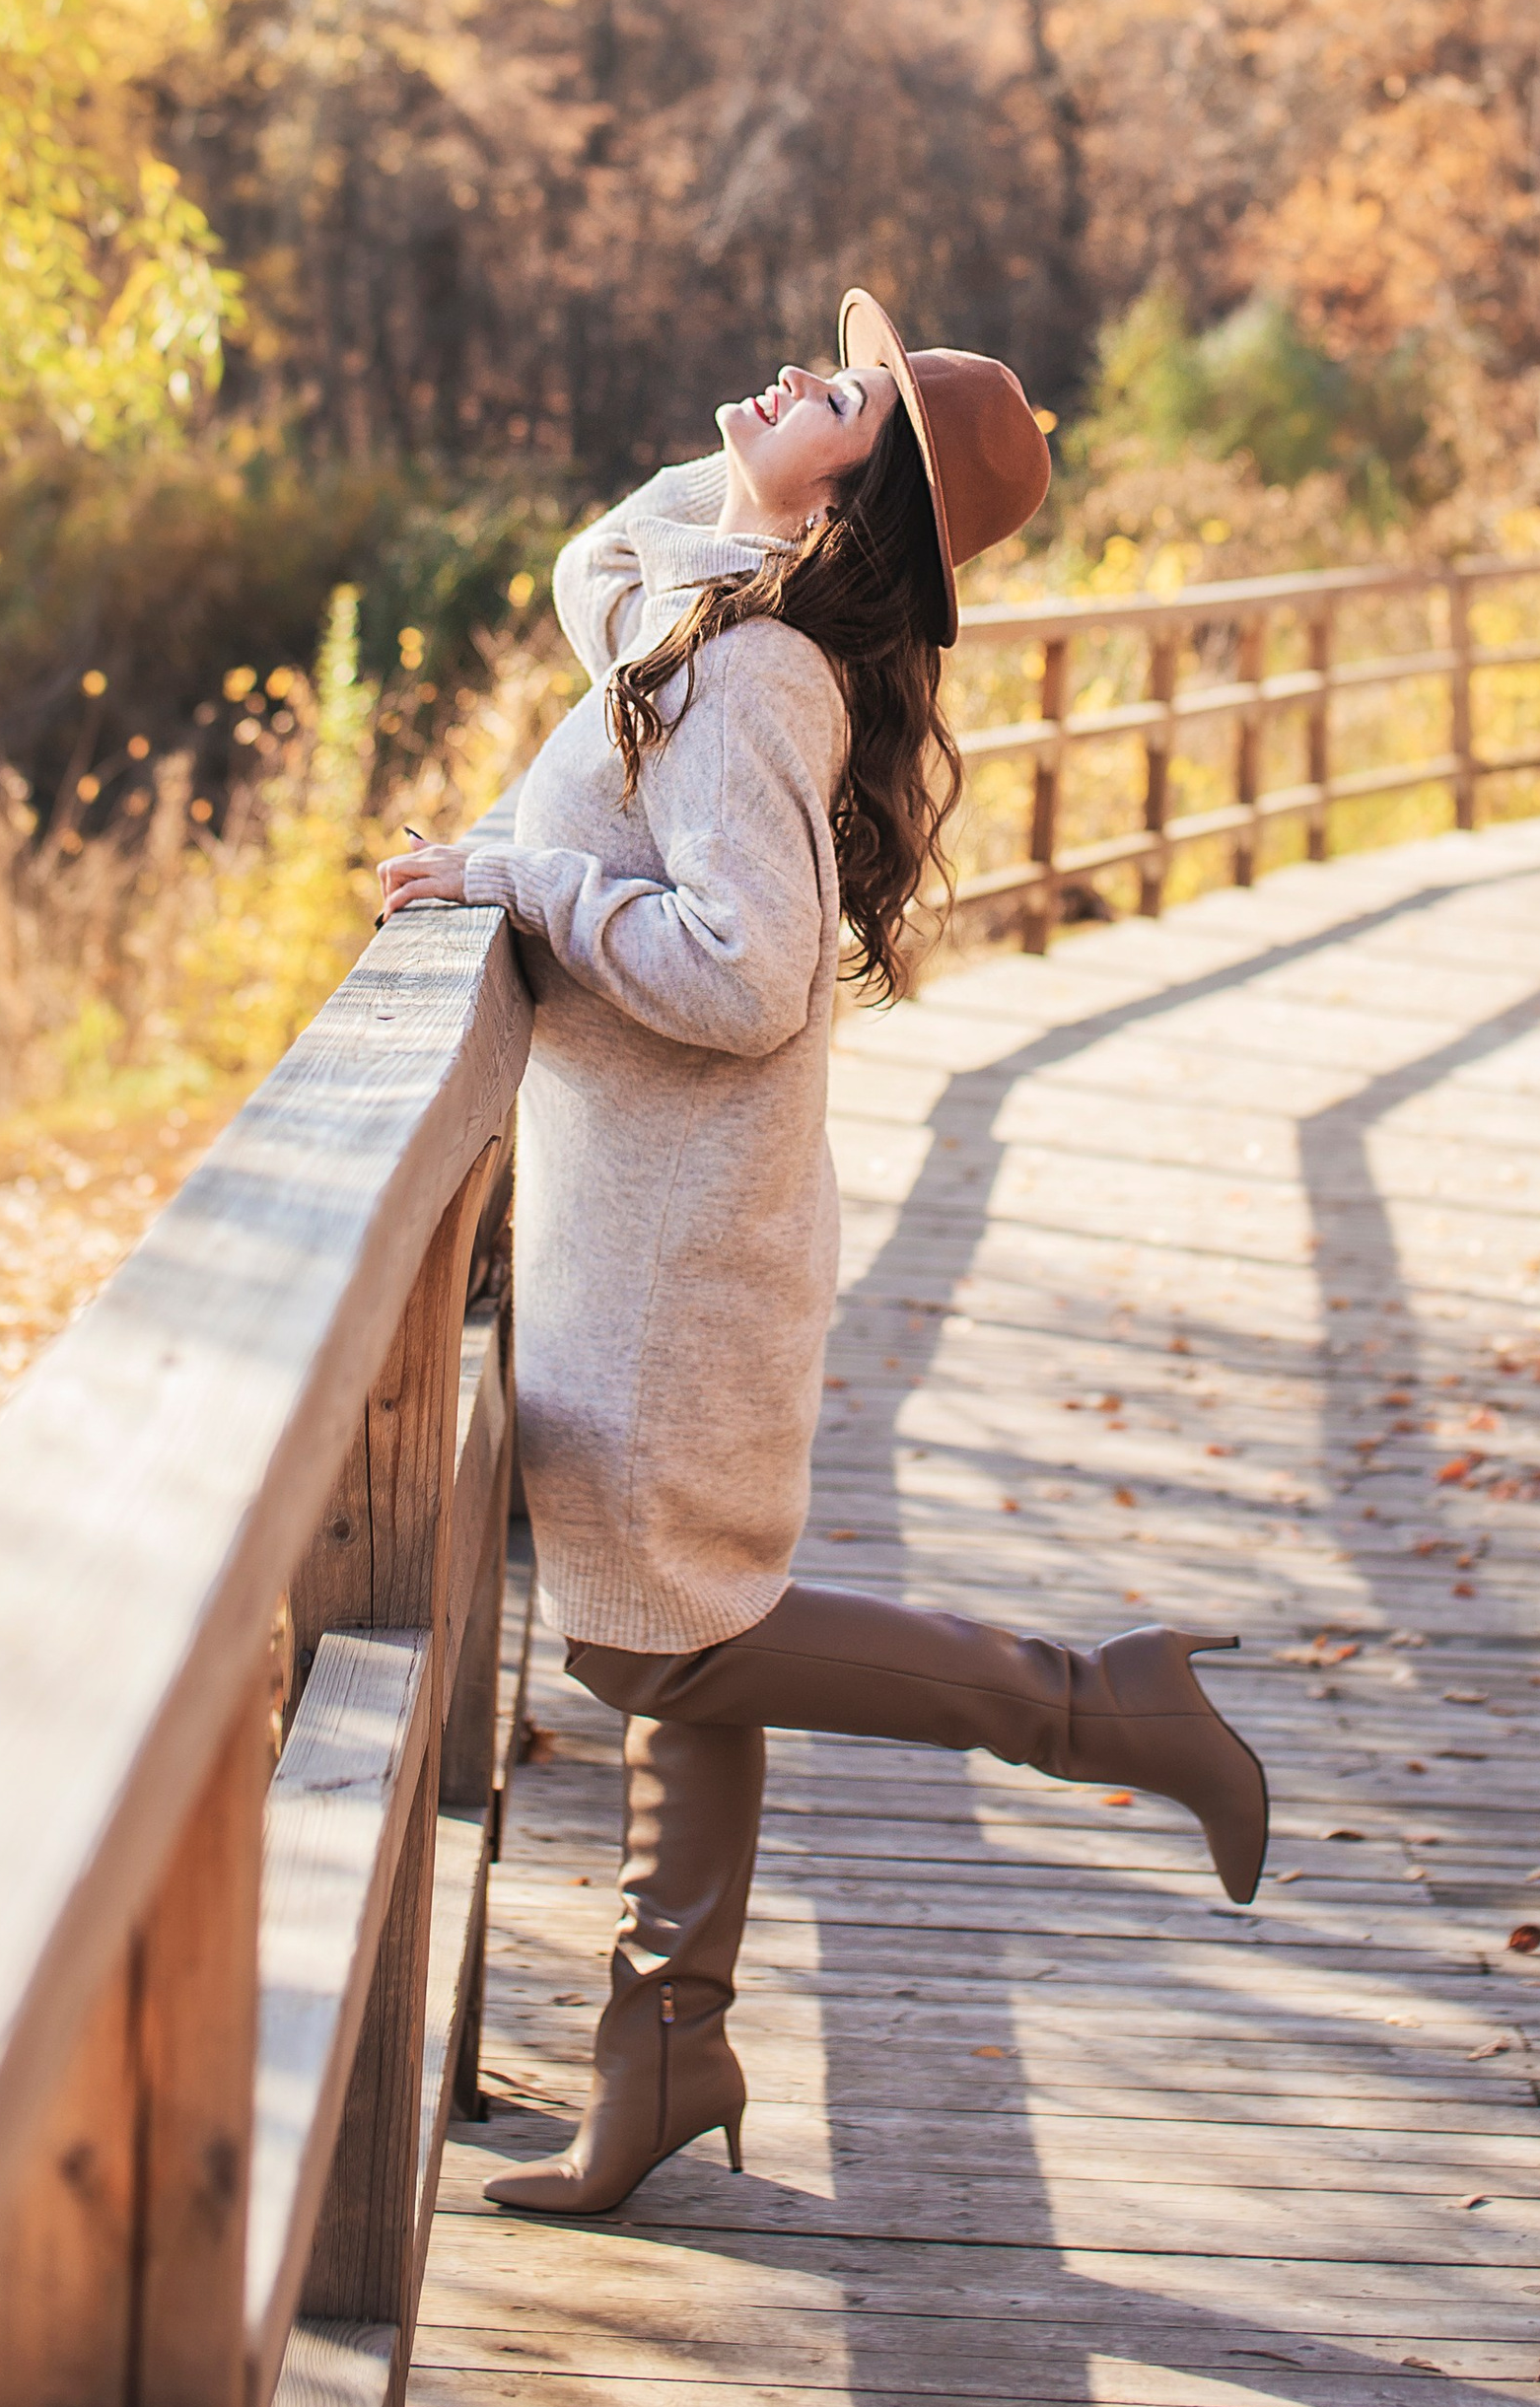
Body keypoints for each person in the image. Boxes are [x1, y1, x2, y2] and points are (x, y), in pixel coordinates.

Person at [377, 289, 1266, 2219]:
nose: (792, 374)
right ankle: (666, 2052)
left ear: (852, 505)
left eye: (835, 395)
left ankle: (1091, 1704)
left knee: (662, 1643)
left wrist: (517, 878)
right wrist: (749, 485)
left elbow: (745, 972)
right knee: (683, 1648)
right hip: (666, 1217)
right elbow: (594, 564)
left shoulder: (753, 682)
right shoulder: (707, 626)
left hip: (678, 1250)